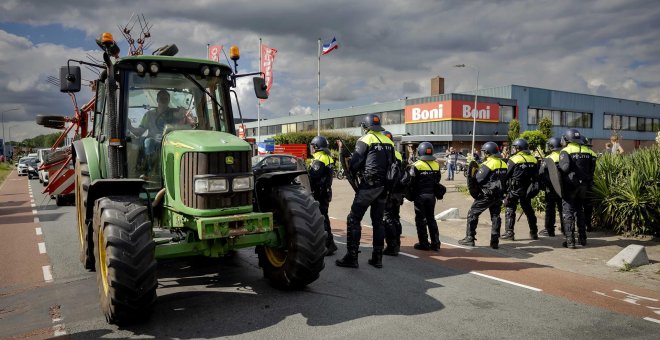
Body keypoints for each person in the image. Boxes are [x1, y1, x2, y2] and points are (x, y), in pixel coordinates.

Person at [336, 113, 395, 269]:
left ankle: (352, 257)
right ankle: (377, 258)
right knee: (378, 222)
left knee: (353, 219)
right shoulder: (389, 141)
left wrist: (351, 167)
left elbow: (355, 163)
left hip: (369, 186)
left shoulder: (365, 140)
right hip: (384, 187)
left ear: (365, 127)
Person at [458, 142, 507, 248]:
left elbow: (477, 179)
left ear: (488, 152)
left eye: (484, 152)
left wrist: (472, 173)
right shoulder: (503, 163)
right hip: (498, 195)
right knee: (495, 216)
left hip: (486, 195)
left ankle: (469, 238)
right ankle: (495, 241)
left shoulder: (488, 164)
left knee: (472, 213)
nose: (483, 154)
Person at [128, 90, 188, 175]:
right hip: (154, 142)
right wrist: (129, 126)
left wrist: (183, 114)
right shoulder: (149, 115)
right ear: (157, 100)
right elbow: (139, 132)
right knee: (148, 142)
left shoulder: (175, 113)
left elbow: (185, 126)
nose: (163, 100)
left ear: (169, 100)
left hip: (171, 142)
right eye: (161, 98)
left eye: (166, 99)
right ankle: (151, 171)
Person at [559, 128, 597, 248]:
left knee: (568, 212)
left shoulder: (566, 151)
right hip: (584, 186)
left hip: (570, 186)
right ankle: (583, 238)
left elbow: (564, 168)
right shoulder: (589, 151)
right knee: (580, 210)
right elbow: (592, 169)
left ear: (567, 139)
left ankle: (570, 241)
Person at [502, 138, 539, 240]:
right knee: (529, 210)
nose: (513, 149)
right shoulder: (533, 159)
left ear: (519, 148)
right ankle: (534, 232)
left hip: (515, 189)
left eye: (514, 147)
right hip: (528, 189)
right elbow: (536, 176)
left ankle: (509, 233)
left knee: (510, 208)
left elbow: (506, 174)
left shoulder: (514, 159)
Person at [409, 142, 443, 251]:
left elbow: (410, 181)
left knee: (420, 219)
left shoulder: (416, 165)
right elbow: (438, 180)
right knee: (431, 218)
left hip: (420, 196)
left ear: (420, 151)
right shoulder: (436, 164)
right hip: (432, 196)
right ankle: (436, 243)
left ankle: (423, 243)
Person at [308, 135, 337, 256]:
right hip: (325, 191)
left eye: (313, 146)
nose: (312, 148)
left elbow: (313, 176)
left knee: (321, 218)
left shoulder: (319, 159)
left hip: (319, 192)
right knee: (324, 216)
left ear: (317, 147)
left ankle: (327, 245)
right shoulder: (328, 157)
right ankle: (330, 243)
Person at [382, 131, 408, 256]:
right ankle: (397, 243)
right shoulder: (397, 153)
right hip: (398, 191)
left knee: (387, 218)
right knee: (396, 217)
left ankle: (391, 246)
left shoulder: (383, 153)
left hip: (389, 190)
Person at [538, 137, 563, 237]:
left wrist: (544, 186)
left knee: (550, 209)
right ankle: (565, 229)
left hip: (551, 188)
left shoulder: (549, 158)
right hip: (563, 188)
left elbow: (541, 174)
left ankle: (549, 230)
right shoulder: (564, 156)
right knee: (563, 209)